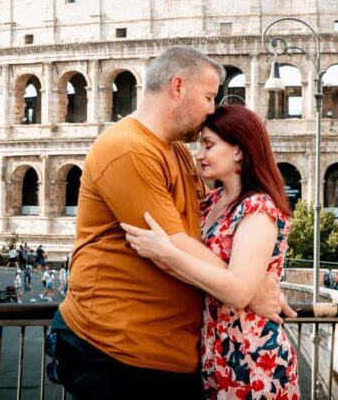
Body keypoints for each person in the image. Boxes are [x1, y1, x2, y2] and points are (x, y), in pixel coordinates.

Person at [50, 47, 292, 399]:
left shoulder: (176, 150)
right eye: (208, 96)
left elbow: (194, 236)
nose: (212, 108)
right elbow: (172, 245)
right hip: (115, 353)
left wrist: (244, 282)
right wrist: (249, 289)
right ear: (178, 86)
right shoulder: (128, 148)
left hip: (172, 356)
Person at [122, 104, 299, 397]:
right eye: (199, 145)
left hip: (252, 357)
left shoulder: (258, 209)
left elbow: (239, 292)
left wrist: (167, 253)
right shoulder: (209, 202)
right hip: (214, 352)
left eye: (208, 145)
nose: (199, 155)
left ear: (239, 150)